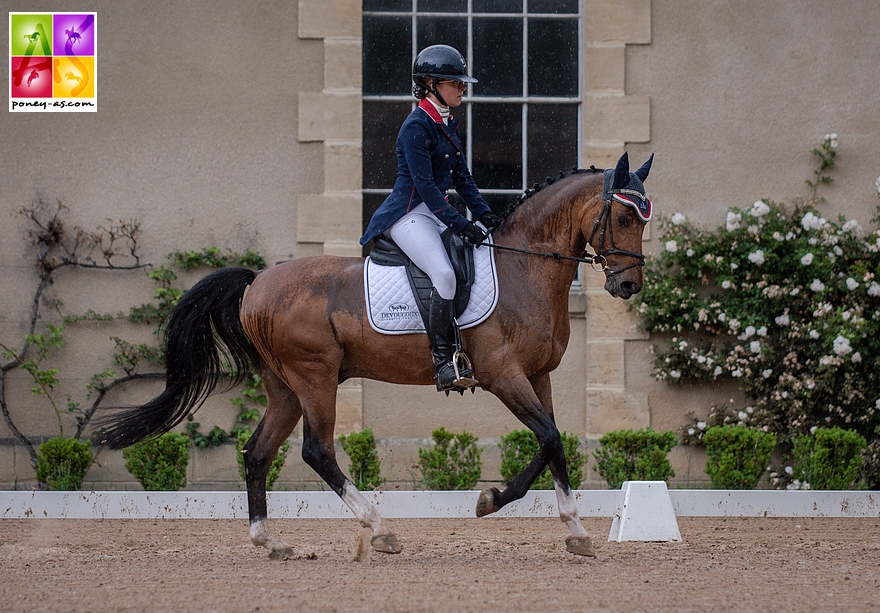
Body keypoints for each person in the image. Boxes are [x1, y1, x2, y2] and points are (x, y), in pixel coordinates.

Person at [360, 44, 503, 393]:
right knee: (443, 273)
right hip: (408, 215)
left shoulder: (446, 123)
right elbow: (426, 188)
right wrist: (460, 223)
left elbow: (462, 178)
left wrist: (485, 215)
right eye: (455, 82)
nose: (462, 88)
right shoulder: (416, 127)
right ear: (430, 83)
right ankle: (444, 362)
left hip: (433, 213)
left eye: (461, 82)